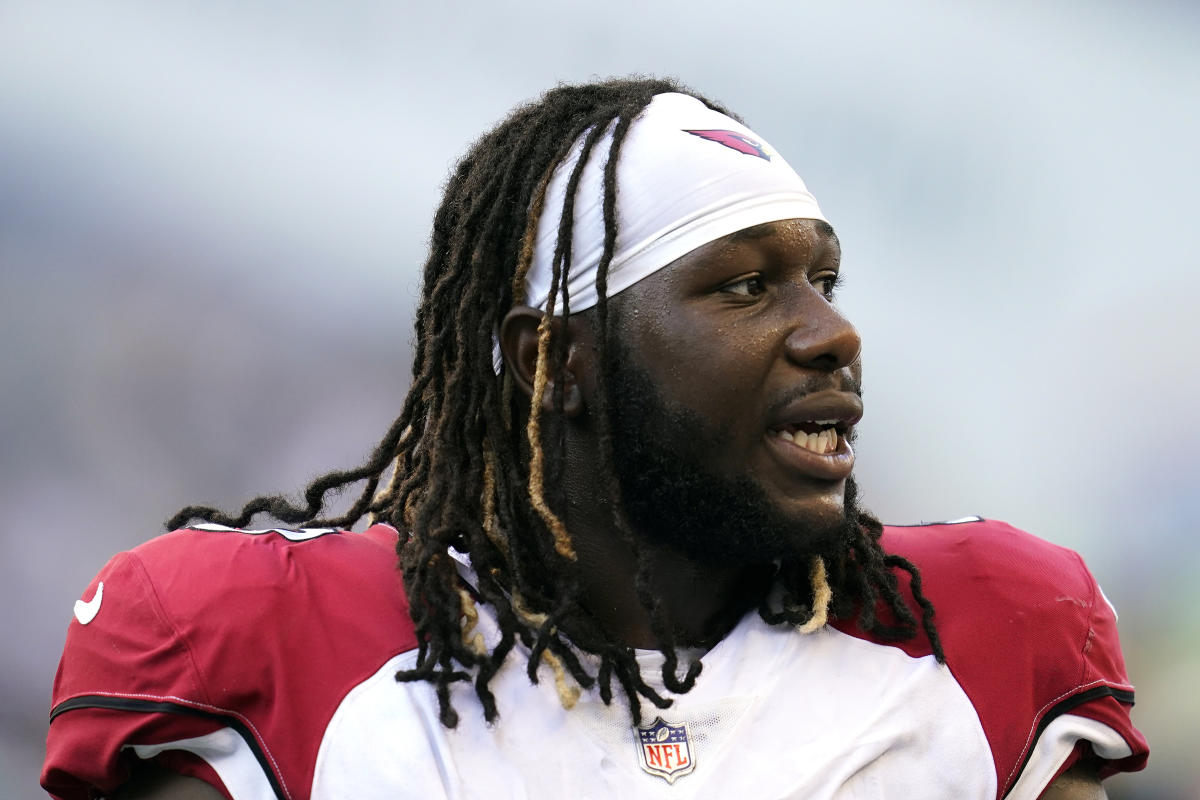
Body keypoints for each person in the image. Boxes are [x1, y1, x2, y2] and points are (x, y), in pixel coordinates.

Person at [42, 77, 1147, 800]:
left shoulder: (977, 634)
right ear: (551, 360)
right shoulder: (268, 642)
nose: (832, 332)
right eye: (748, 286)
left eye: (824, 279)